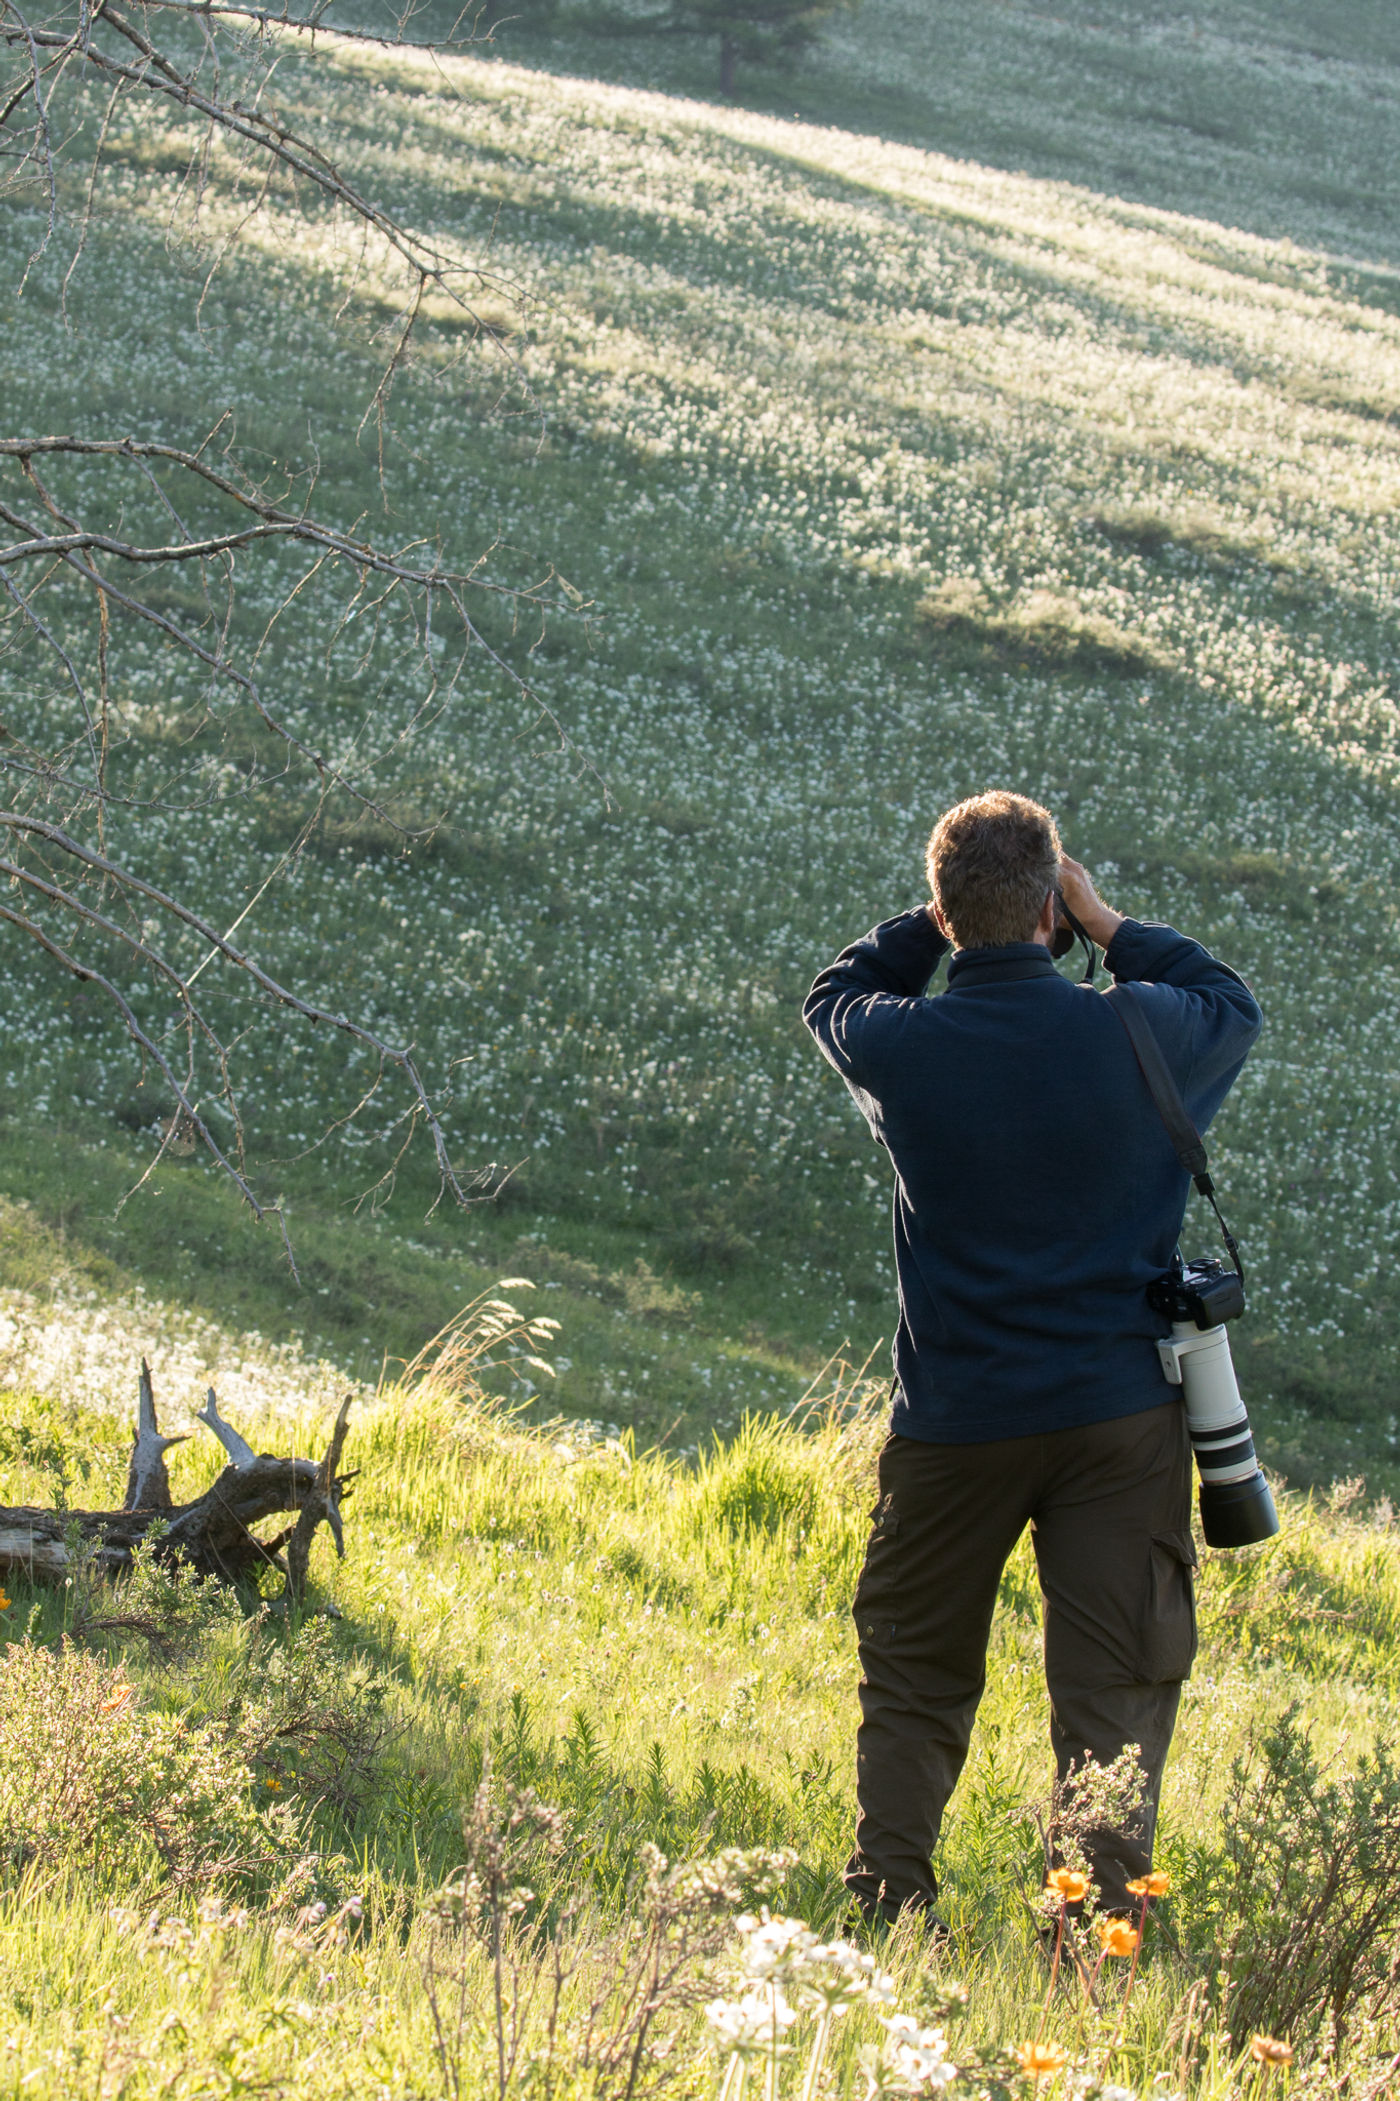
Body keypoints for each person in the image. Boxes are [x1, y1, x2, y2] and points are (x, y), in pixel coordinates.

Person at [801, 790, 1262, 1925]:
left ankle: (889, 1907)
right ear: (1053, 908)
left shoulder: (903, 1046)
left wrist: (936, 922)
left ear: (950, 914)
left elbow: (833, 996)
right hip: (1115, 1417)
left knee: (913, 1673)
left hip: (954, 1417)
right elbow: (1229, 1001)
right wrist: (1107, 922)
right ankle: (1093, 1937)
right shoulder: (1143, 1027)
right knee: (1111, 1695)